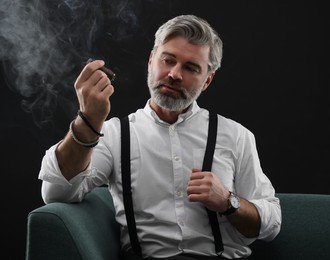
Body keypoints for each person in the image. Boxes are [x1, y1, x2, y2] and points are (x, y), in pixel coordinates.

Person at [38, 14, 281, 259]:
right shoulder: (115, 134)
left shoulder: (235, 135)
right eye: (168, 60)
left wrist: (228, 202)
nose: (175, 74)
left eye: (190, 67)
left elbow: (271, 224)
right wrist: (88, 119)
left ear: (207, 79)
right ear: (151, 61)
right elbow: (57, 193)